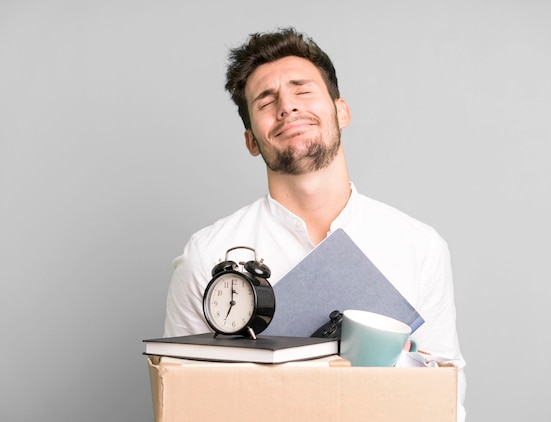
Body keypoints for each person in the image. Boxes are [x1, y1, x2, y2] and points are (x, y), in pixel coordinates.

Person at [163, 27, 466, 420]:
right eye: (266, 101)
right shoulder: (205, 257)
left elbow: (447, 399)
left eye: (302, 90)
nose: (287, 107)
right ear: (251, 140)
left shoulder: (419, 247)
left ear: (341, 111)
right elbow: (182, 401)